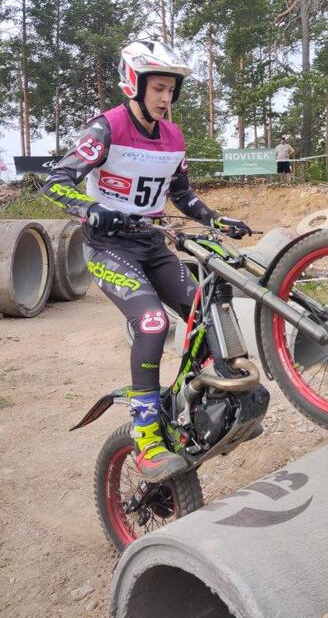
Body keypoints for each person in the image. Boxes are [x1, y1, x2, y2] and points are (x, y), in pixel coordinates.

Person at [43, 39, 251, 482]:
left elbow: (182, 195)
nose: (165, 98)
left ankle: (207, 408)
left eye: (170, 90)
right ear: (134, 85)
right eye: (158, 88)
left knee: (205, 311)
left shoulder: (174, 137)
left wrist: (216, 220)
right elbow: (55, 181)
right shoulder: (106, 128)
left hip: (154, 245)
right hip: (108, 248)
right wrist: (89, 207)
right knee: (153, 323)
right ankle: (146, 437)